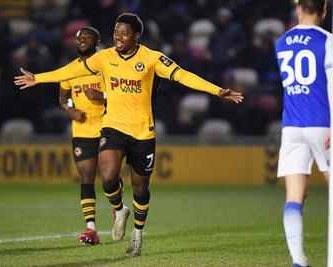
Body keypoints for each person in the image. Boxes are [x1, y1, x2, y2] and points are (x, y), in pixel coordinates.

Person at [14, 12, 243, 257]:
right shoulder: (104, 57)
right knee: (109, 177)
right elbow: (72, 71)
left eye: (124, 33)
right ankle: (120, 210)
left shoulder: (153, 59)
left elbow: (183, 75)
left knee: (140, 187)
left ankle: (137, 235)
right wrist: (38, 78)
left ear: (136, 35)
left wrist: (217, 91)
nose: (118, 37)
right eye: (115, 32)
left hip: (143, 131)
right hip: (113, 126)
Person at [274, 0, 332, 266]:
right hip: (322, 123)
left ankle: (299, 259)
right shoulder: (327, 41)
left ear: (298, 9)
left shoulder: (282, 42)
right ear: (324, 12)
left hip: (292, 127)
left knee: (295, 197)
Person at [59, 26, 108, 245]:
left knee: (108, 177)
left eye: (87, 37)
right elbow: (64, 98)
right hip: (82, 131)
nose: (82, 40)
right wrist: (69, 109)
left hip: (108, 128)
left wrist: (102, 95)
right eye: (79, 38)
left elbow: (123, 94)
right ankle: (91, 230)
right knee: (87, 177)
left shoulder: (106, 67)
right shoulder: (69, 70)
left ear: (97, 43)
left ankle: (118, 207)